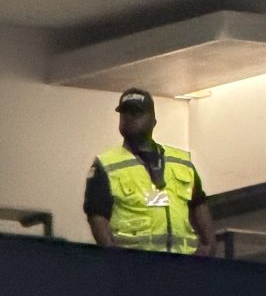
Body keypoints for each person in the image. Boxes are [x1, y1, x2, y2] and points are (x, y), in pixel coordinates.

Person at [84, 86, 212, 254]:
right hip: (135, 267)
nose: (129, 118)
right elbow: (97, 215)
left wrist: (209, 246)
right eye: (124, 113)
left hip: (183, 265)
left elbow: (198, 205)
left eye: (136, 113)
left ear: (153, 120)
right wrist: (114, 259)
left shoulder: (181, 161)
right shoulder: (106, 164)